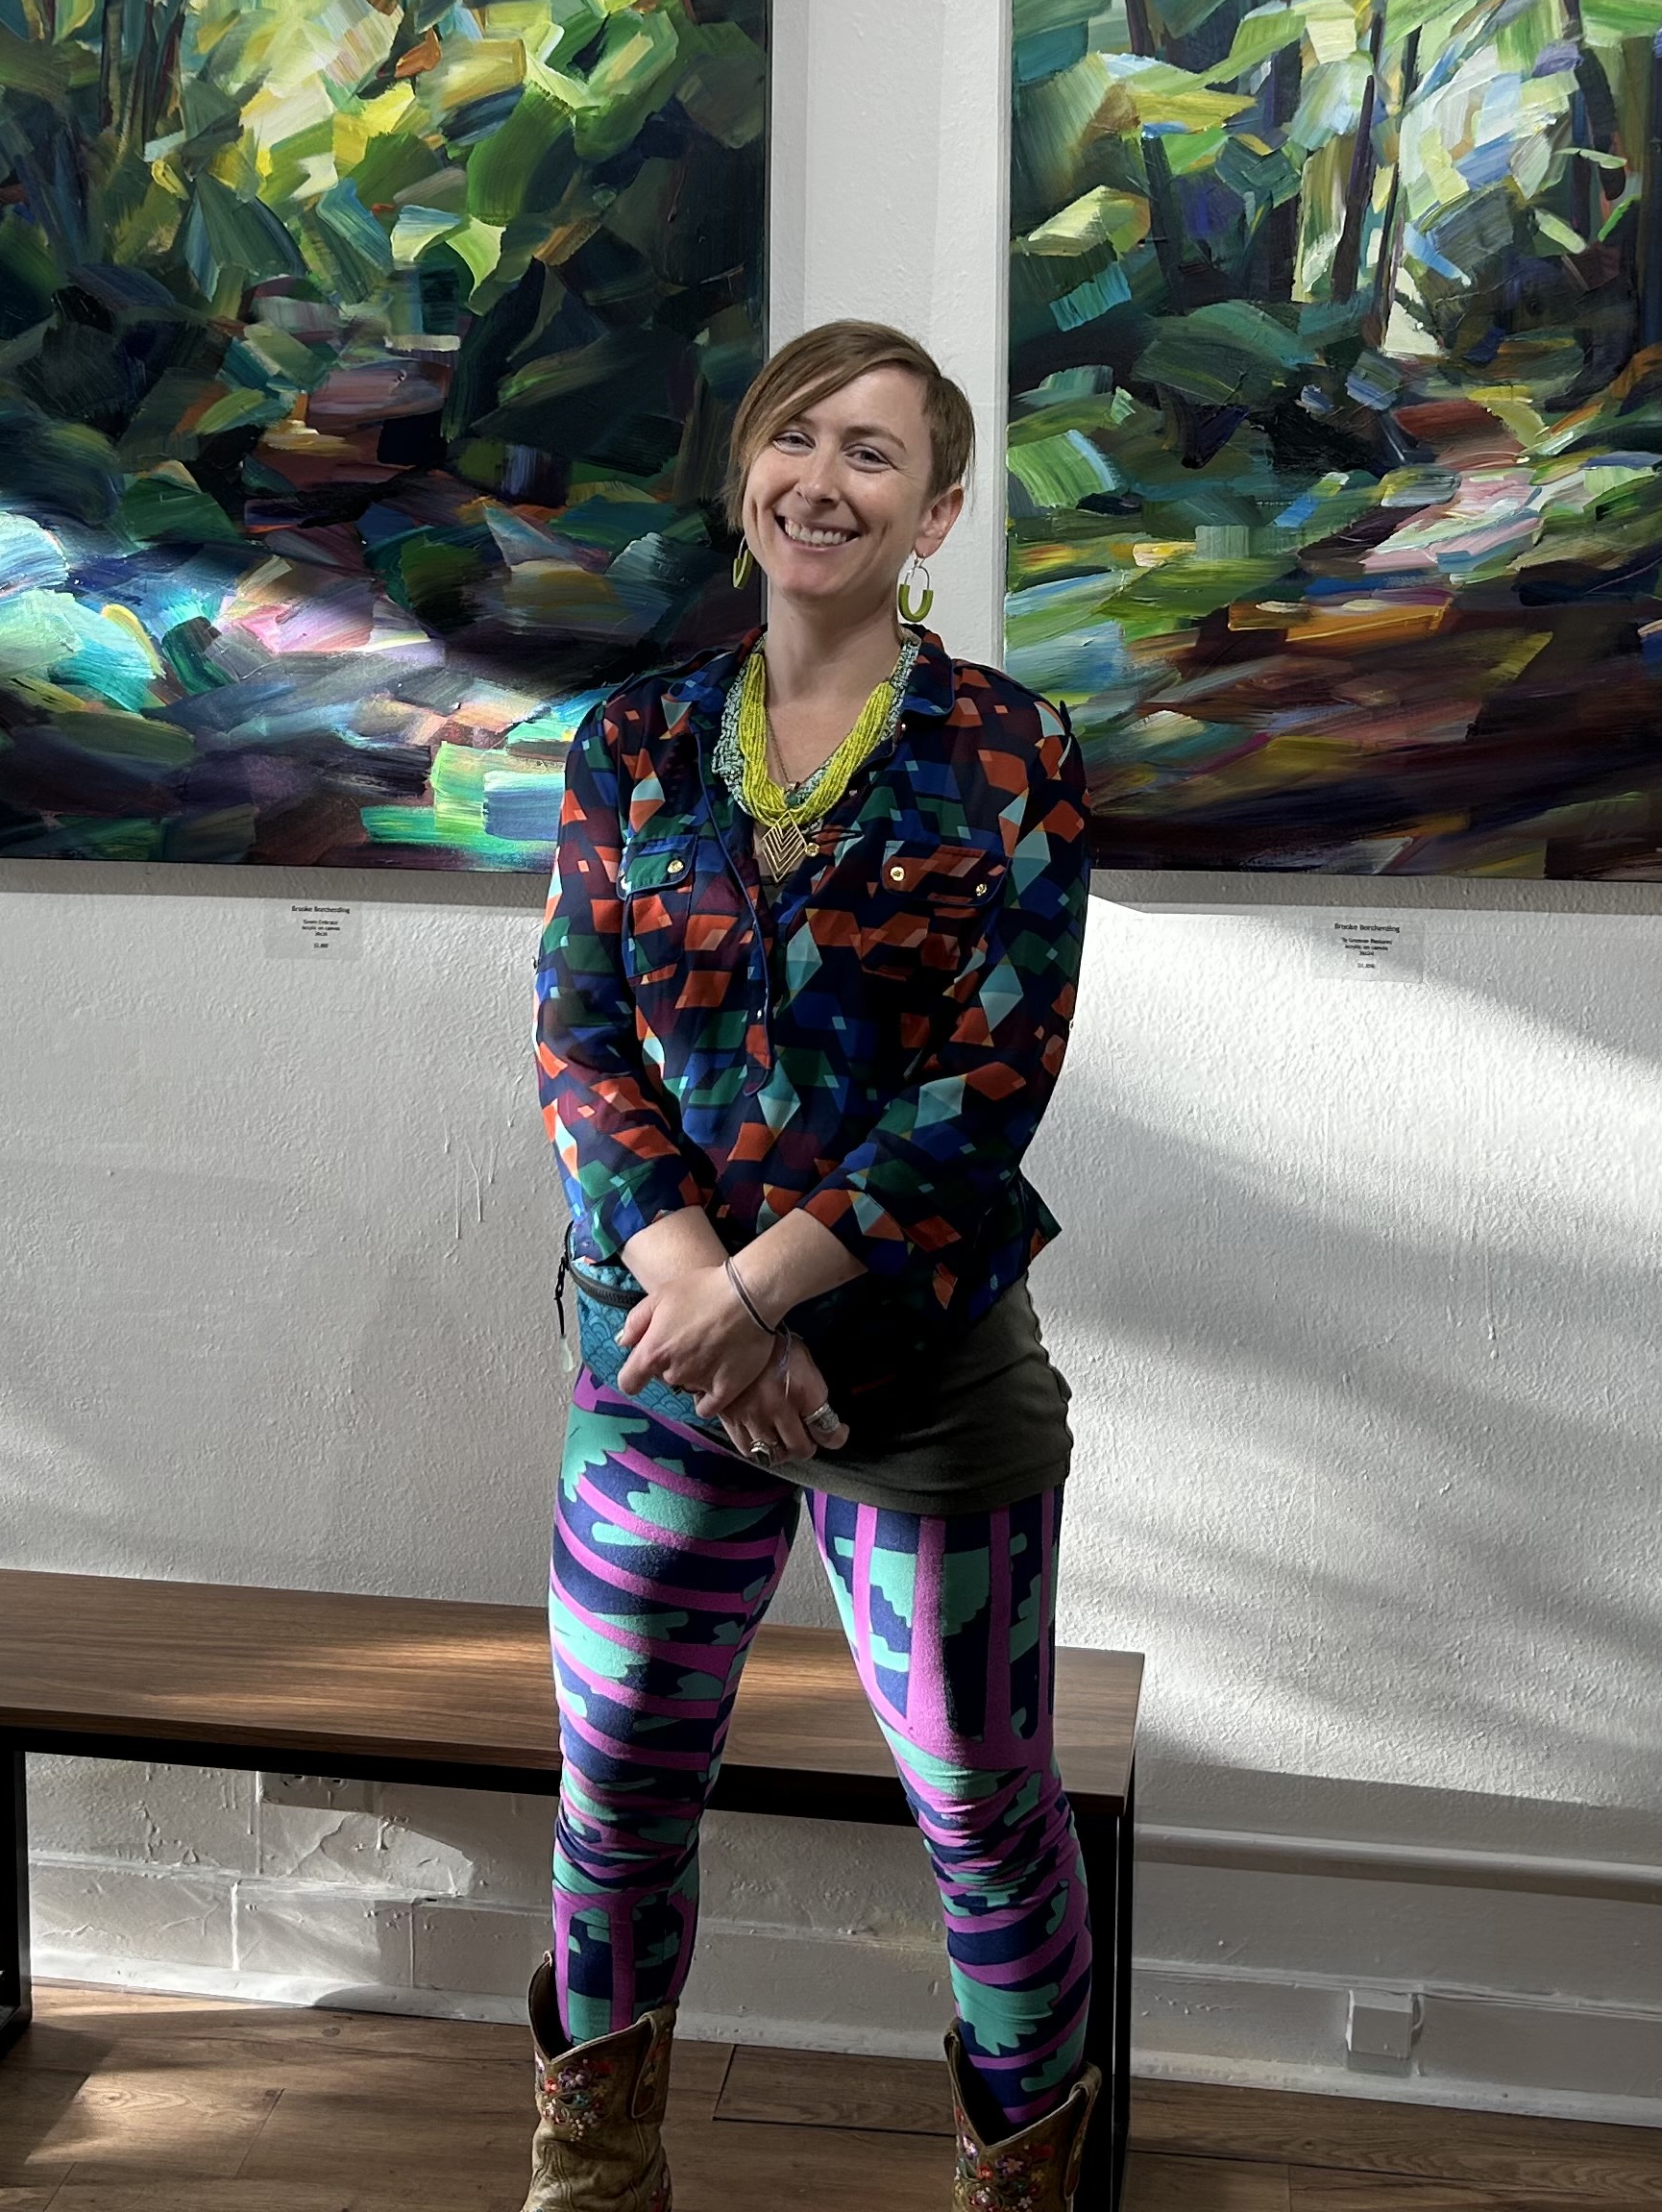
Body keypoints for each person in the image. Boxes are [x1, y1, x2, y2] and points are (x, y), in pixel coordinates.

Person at [520, 319, 1097, 2212]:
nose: (819, 480)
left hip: (916, 1364)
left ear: (932, 515)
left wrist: (756, 1295)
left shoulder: (1008, 752)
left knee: (980, 1811)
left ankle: (1017, 2184)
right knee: (617, 1787)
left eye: (871, 452)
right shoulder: (627, 743)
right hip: (659, 1363)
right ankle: (592, 2174)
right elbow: (578, 1039)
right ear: (744, 474)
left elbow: (985, 1084)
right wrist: (700, 1298)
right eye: (794, 437)